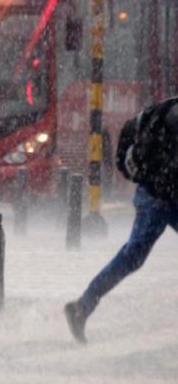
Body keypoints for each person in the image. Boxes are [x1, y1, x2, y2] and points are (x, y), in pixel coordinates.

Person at [65, 98, 178, 343]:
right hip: (161, 195)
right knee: (133, 255)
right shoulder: (171, 118)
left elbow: (130, 142)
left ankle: (82, 307)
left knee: (132, 255)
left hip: (153, 190)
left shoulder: (162, 109)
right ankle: (82, 307)